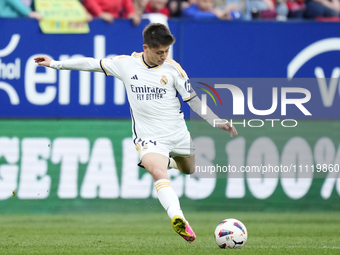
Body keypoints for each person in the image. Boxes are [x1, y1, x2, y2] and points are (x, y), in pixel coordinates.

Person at [34, 23, 237, 243]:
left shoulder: (173, 69)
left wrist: (216, 121)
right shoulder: (126, 65)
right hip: (149, 138)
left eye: (166, 51)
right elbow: (91, 63)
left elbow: (193, 100)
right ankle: (178, 217)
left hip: (178, 133)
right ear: (145, 48)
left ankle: (169, 162)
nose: (163, 56)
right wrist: (55, 64)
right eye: (159, 52)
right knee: (158, 173)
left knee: (189, 169)